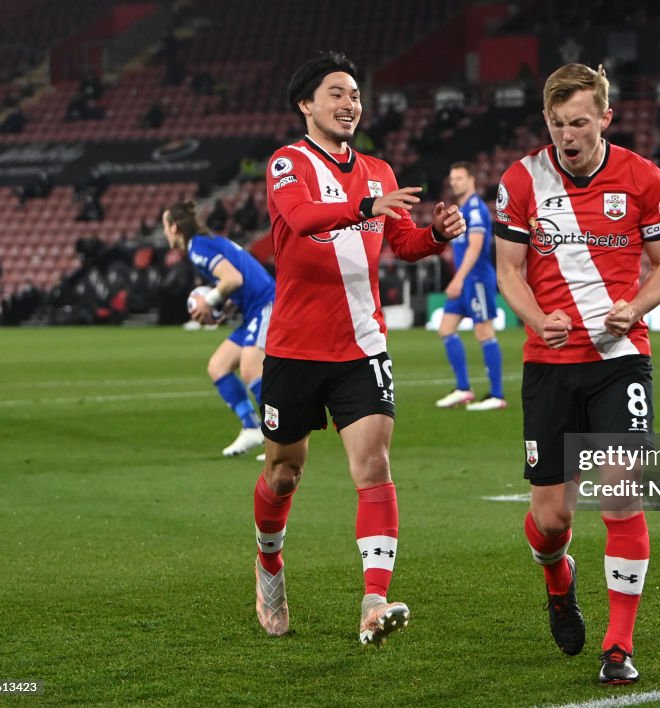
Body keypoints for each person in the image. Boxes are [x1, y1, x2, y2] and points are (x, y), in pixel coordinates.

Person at [255, 51, 466, 644]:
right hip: (295, 348)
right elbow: (299, 220)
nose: (350, 104)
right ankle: (269, 562)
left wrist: (435, 236)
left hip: (362, 346)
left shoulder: (379, 169)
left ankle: (374, 601)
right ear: (307, 104)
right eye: (337, 94)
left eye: (355, 95)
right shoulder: (286, 163)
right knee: (283, 474)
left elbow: (401, 243)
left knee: (374, 467)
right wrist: (366, 207)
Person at [494, 63, 660, 684]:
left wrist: (636, 306)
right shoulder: (520, 180)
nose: (567, 135)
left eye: (579, 122)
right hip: (549, 365)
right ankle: (558, 578)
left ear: (605, 117)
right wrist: (534, 315)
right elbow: (510, 271)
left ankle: (620, 646)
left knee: (622, 492)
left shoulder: (644, 177)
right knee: (552, 520)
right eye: (556, 123)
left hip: (619, 359)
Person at [163, 199, 276, 458]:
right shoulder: (206, 244)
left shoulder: (198, 248)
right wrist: (222, 310)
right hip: (253, 309)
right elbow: (239, 280)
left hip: (268, 305)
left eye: (165, 226)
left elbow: (233, 278)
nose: (164, 232)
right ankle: (251, 428)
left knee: (251, 369)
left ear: (175, 228)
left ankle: (280, 436)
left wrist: (209, 301)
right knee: (218, 366)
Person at [435, 161, 506, 411]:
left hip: (475, 279)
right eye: (452, 179)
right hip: (465, 280)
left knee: (484, 332)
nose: (454, 182)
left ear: (471, 179)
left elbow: (476, 247)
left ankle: (497, 394)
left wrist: (458, 278)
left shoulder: (475, 209)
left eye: (459, 178)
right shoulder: (461, 208)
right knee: (445, 329)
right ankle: (464, 389)